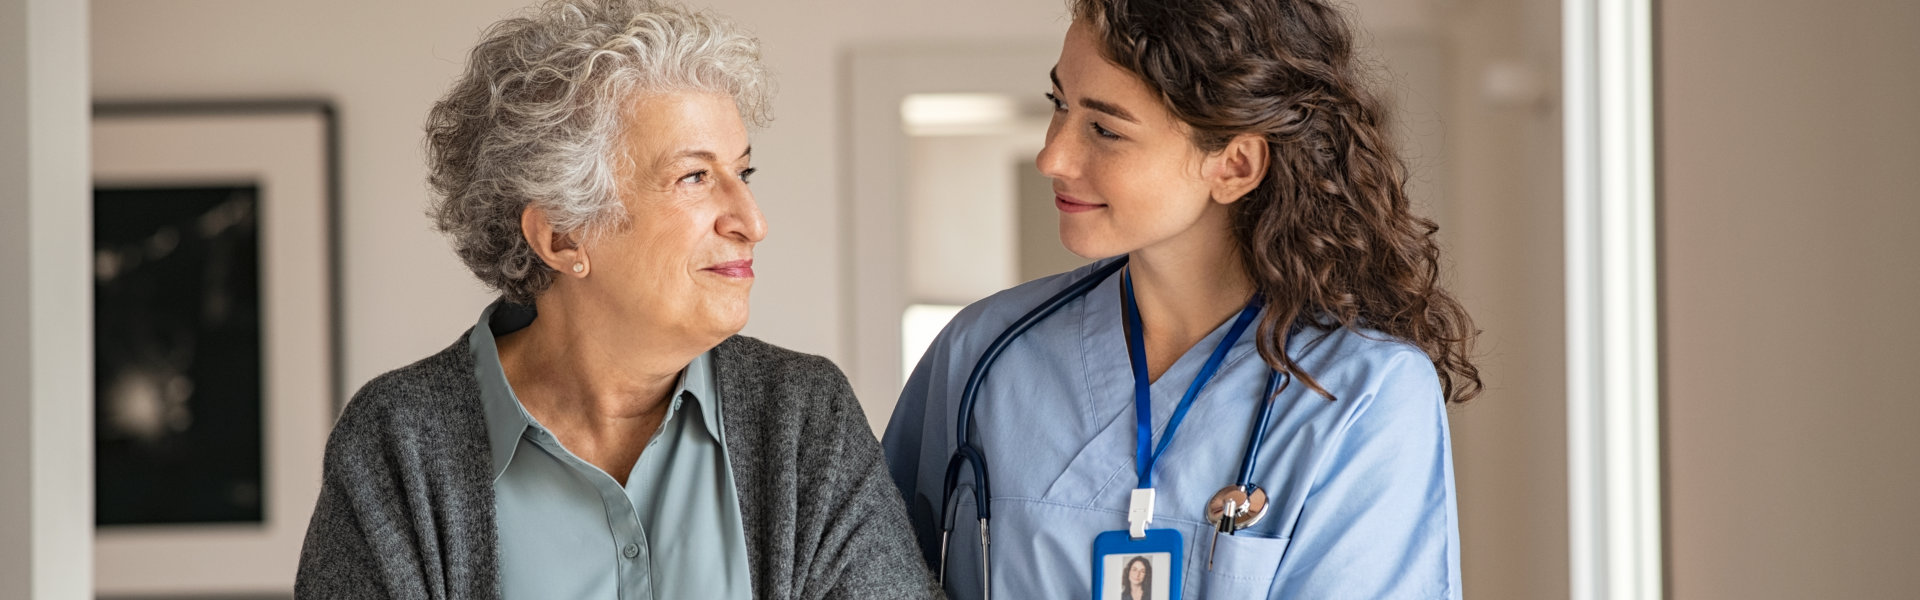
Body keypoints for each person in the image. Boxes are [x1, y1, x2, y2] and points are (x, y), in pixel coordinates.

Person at [295, 1, 937, 598]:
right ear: (562, 235)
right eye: (694, 177)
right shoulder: (397, 442)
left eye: (742, 173)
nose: (751, 219)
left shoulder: (803, 419)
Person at [883, 0, 1481, 598]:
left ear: (1235, 165)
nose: (1052, 156)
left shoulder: (1363, 392)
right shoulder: (984, 352)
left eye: (1105, 129)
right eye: (1059, 105)